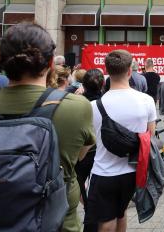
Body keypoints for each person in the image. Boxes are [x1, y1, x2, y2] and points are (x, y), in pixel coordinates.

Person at [0, 23, 95, 232]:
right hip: (57, 221)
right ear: (50, 62)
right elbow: (81, 156)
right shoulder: (77, 107)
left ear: (1, 60)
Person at [85, 50, 156, 232]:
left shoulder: (94, 106)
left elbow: (90, 140)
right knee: (121, 213)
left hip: (104, 172)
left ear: (106, 71)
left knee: (106, 219)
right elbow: (149, 136)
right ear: (129, 71)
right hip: (133, 172)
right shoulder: (146, 101)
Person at [76, 69, 105, 223]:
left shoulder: (78, 104)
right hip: (102, 151)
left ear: (83, 85)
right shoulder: (106, 103)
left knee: (79, 181)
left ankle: (88, 207)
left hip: (82, 152)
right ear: (102, 85)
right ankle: (95, 209)